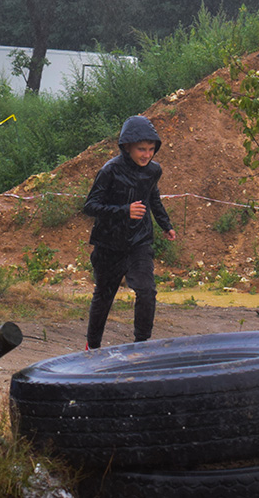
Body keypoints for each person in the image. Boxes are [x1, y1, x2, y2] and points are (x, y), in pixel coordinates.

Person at [83, 115, 176, 349]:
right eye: (141, 149)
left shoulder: (154, 171)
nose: (147, 155)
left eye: (151, 149)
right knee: (104, 296)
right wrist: (125, 210)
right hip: (109, 243)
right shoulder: (110, 170)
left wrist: (165, 225)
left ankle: (141, 345)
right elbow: (90, 206)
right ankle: (92, 347)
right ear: (127, 147)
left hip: (139, 241)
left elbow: (153, 197)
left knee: (147, 290)